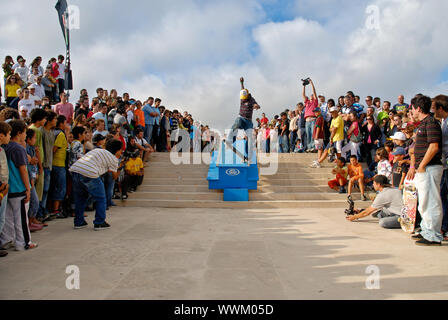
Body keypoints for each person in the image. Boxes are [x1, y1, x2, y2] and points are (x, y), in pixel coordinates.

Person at [408, 94, 444, 246]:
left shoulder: (431, 123)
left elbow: (434, 146)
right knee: (423, 202)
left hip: (429, 168)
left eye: (412, 109)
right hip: (424, 169)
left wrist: (421, 165)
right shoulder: (424, 123)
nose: (412, 112)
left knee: (431, 202)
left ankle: (433, 235)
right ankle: (426, 230)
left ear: (418, 108)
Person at [0, 120, 37, 251]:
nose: (25, 136)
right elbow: (23, 169)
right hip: (18, 187)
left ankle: (6, 240)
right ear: (19, 133)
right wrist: (28, 188)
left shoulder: (5, 147)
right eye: (25, 133)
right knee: (21, 218)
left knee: (7, 218)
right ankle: (23, 242)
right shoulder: (18, 149)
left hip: (6, 188)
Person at [69, 139, 123, 230]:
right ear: (117, 150)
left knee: (80, 198)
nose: (121, 152)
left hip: (76, 169)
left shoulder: (97, 150)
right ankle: (99, 222)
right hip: (90, 173)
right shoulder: (113, 159)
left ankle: (79, 222)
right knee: (101, 198)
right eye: (121, 150)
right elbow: (114, 177)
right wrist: (120, 167)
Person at [432, 95, 448, 240]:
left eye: (434, 107)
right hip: (444, 164)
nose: (432, 111)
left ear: (441, 108)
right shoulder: (443, 122)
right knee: (442, 196)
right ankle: (444, 227)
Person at [50, 115, 68, 217]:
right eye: (65, 122)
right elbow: (54, 149)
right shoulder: (60, 134)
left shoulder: (54, 132)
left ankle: (56, 209)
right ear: (61, 123)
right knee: (60, 188)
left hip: (55, 164)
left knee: (56, 187)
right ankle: (56, 210)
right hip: (59, 164)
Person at [0, 122, 11, 257]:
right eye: (8, 134)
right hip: (2, 188)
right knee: (1, 218)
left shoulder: (2, 149)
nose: (9, 137)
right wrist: (3, 185)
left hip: (4, 187)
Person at [302, 78, 318, 152]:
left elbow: (314, 92)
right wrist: (304, 85)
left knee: (312, 134)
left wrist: (311, 83)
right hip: (307, 120)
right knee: (308, 134)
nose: (311, 95)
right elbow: (303, 94)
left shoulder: (315, 102)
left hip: (313, 119)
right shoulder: (307, 102)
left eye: (312, 95)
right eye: (310, 95)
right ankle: (309, 147)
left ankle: (314, 147)